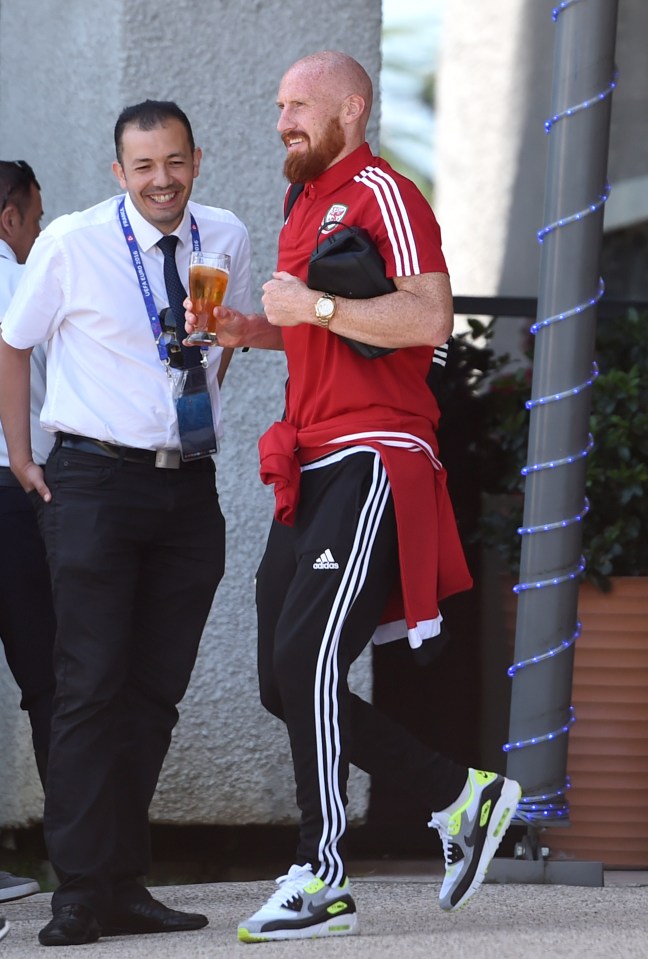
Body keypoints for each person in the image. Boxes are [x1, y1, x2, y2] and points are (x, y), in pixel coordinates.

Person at [185, 51, 522, 943]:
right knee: (277, 678)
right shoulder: (303, 200)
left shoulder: (388, 193)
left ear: (352, 108)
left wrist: (317, 312)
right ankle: (462, 796)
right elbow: (313, 338)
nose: (284, 119)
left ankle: (322, 875)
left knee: (306, 661)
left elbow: (428, 319)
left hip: (375, 453)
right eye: (280, 104)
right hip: (310, 462)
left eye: (300, 105)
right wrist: (249, 329)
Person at [0, 101, 253, 947]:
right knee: (88, 688)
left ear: (196, 159)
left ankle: (122, 880)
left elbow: (224, 345)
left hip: (189, 488)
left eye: (175, 162)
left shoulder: (225, 236)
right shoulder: (73, 240)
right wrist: (24, 455)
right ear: (120, 172)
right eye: (143, 166)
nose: (162, 180)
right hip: (94, 480)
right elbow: (13, 341)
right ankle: (77, 890)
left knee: (153, 696)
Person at [0, 159, 55, 905]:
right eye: (36, 218)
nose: (38, 233)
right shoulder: (22, 283)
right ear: (9, 215)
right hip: (14, 492)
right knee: (51, 676)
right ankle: (81, 860)